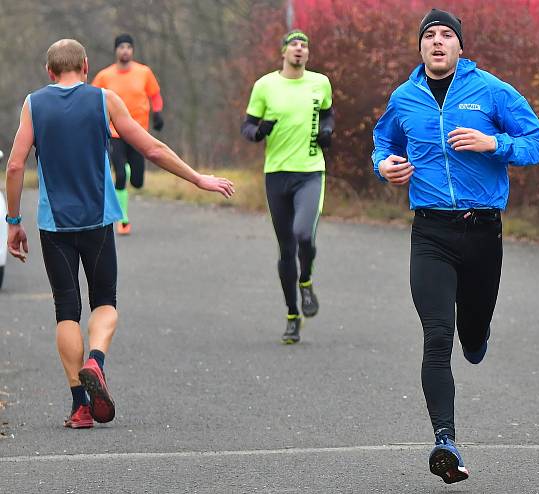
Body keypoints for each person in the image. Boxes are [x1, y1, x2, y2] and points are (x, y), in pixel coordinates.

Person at [4, 39, 234, 429]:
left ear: (49, 71)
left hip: (53, 224)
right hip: (98, 221)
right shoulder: (103, 99)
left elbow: (14, 166)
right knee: (105, 302)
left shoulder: (33, 103)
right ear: (86, 65)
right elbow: (153, 149)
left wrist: (13, 222)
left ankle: (80, 407)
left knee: (66, 310)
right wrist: (198, 178)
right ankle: (97, 360)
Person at [372, 9, 539, 484]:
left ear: (460, 47)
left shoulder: (491, 90)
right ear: (420, 48)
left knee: (471, 338)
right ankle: (445, 441)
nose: (437, 42)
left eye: (446, 35)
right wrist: (384, 165)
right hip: (430, 232)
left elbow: (537, 143)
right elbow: (382, 141)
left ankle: (478, 334)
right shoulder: (404, 97)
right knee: (436, 336)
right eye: (429, 35)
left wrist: (494, 144)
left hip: (482, 233)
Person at [241, 29, 334, 344]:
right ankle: (292, 315)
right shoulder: (265, 85)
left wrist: (327, 131)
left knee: (304, 233)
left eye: (304, 45)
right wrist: (258, 131)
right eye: (294, 44)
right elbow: (248, 126)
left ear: (308, 54)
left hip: (310, 171)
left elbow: (328, 114)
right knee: (286, 249)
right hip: (276, 173)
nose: (299, 49)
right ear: (283, 52)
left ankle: (305, 281)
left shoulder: (320, 83)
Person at [92, 34, 165, 235]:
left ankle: (128, 169)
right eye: (121, 47)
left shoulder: (144, 72)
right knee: (121, 176)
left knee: (137, 182)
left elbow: (155, 95)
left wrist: (157, 113)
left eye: (128, 47)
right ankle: (123, 219)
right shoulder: (104, 76)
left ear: (132, 50)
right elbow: (92, 99)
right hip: (114, 133)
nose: (125, 50)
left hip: (138, 131)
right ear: (116, 50)